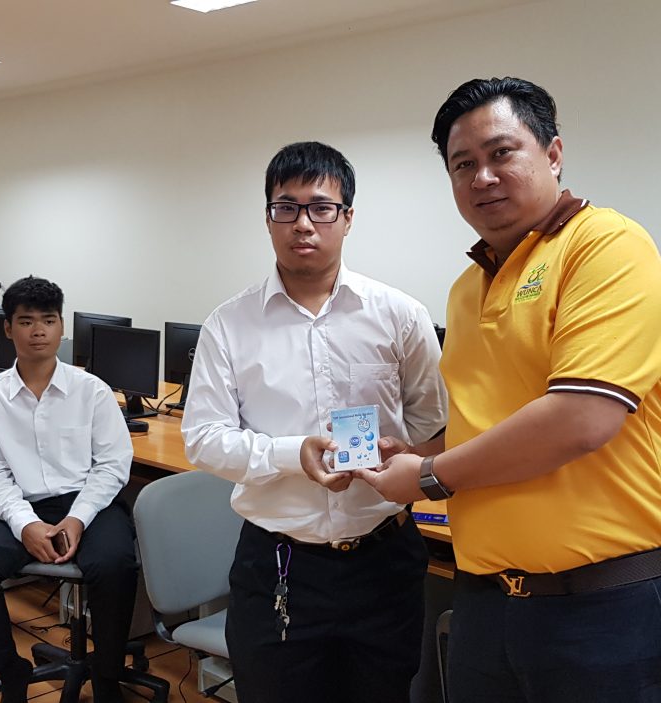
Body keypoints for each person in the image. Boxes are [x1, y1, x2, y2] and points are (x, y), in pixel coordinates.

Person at [356, 77, 661, 703]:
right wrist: (418, 450)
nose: (482, 177)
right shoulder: (467, 288)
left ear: (553, 154)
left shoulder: (606, 245)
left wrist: (429, 476)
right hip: (487, 602)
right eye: (463, 165)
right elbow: (488, 420)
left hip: (604, 605)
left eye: (501, 153)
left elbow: (580, 418)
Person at [182, 141, 448, 703]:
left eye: (321, 207)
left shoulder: (400, 315)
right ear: (268, 218)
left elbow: (434, 423)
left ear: (347, 218)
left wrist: (410, 454)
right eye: (287, 207)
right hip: (278, 564)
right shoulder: (228, 324)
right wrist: (290, 453)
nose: (303, 223)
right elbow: (203, 440)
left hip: (384, 559)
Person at [0, 276, 137, 703]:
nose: (39, 331)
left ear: (62, 326)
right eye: (26, 321)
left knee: (115, 565)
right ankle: (10, 671)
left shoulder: (92, 391)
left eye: (49, 321)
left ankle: (107, 676)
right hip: (26, 506)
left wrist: (77, 518)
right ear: (7, 328)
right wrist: (25, 526)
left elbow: (112, 466)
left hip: (90, 505)